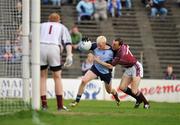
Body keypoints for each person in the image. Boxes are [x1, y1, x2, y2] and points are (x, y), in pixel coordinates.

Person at [94, 38, 150, 109]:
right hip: (129, 68)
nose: (113, 45)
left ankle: (146, 103)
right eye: (113, 43)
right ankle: (138, 99)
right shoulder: (122, 46)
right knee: (122, 87)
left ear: (120, 46)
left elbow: (110, 65)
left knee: (134, 91)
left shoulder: (120, 54)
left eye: (115, 44)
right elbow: (126, 46)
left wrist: (98, 60)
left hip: (136, 67)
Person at [69, 36, 120, 107]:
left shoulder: (112, 51)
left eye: (100, 45)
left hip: (106, 73)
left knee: (109, 91)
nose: (98, 46)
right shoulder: (95, 45)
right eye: (97, 44)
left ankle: (116, 96)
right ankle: (76, 101)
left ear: (104, 43)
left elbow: (110, 66)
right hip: (95, 69)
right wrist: (83, 42)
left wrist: (96, 59)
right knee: (84, 80)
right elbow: (82, 48)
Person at [40, 12, 73, 111]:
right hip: (54, 47)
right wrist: (69, 55)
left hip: (40, 47)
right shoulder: (61, 27)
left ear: (48, 19)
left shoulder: (41, 25)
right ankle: (59, 106)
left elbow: (31, 37)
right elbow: (68, 42)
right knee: (57, 76)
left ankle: (44, 105)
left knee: (42, 77)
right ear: (58, 20)